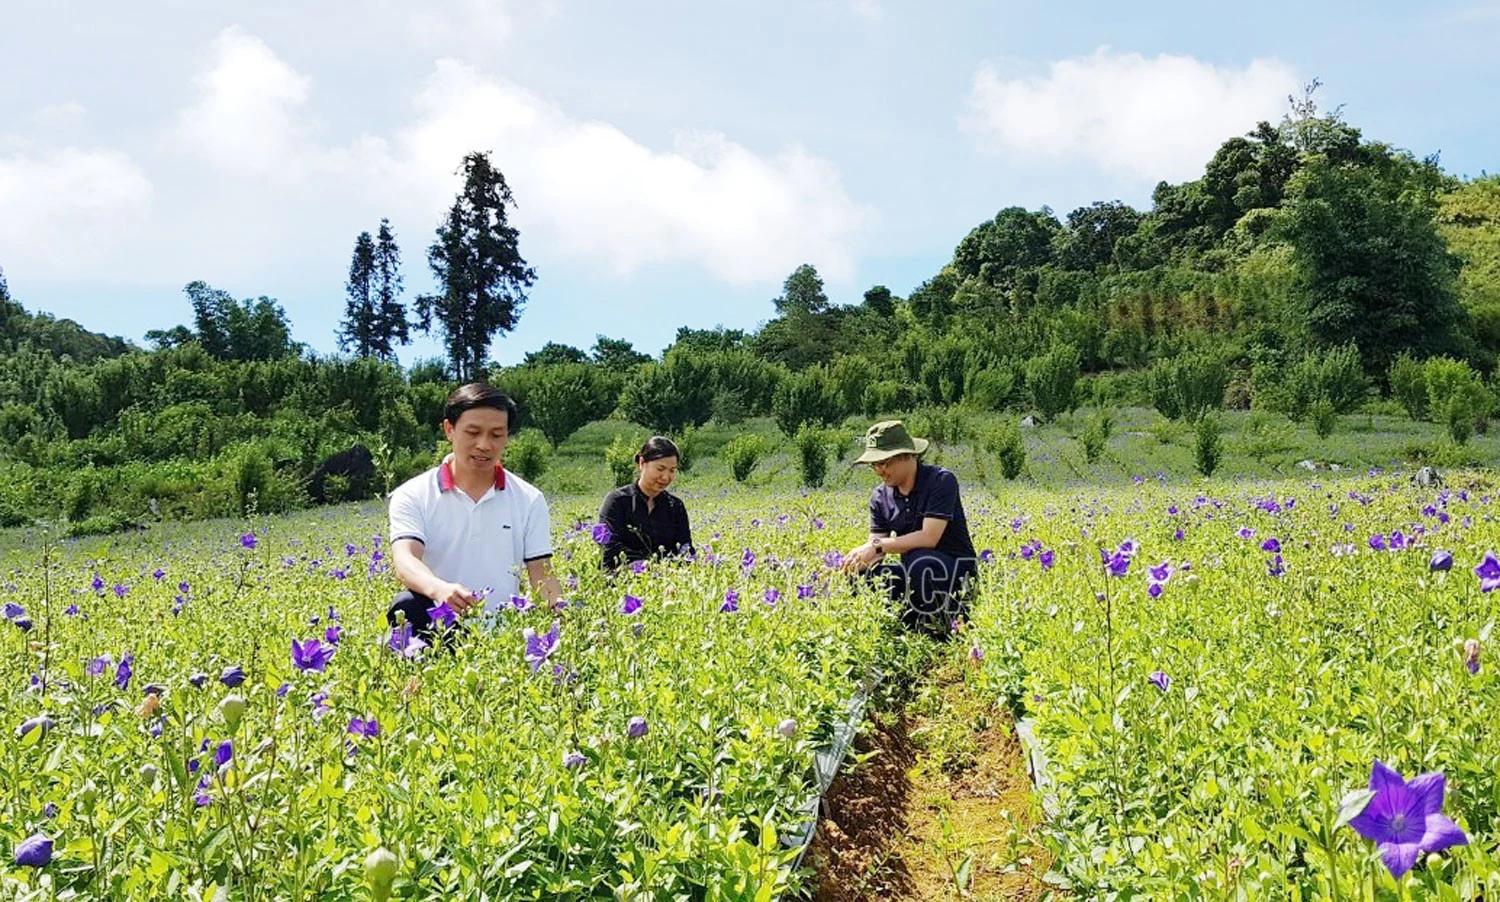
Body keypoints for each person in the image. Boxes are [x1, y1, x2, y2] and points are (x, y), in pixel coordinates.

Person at [386, 383, 563, 641]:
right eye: (473, 432)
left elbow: (541, 572)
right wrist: (440, 590)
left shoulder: (529, 499)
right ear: (449, 430)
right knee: (405, 604)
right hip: (438, 630)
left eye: (496, 435)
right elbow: (405, 560)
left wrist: (566, 617)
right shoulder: (413, 494)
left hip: (503, 641)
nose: (484, 445)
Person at [841, 420, 978, 634]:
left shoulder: (941, 481)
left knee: (921, 558)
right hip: (916, 575)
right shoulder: (880, 497)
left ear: (909, 456)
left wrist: (877, 546)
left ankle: (942, 625)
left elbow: (928, 537)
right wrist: (855, 564)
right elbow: (876, 551)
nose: (879, 470)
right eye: (874, 465)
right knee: (864, 575)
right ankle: (905, 624)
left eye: (885, 462)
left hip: (954, 571)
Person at [598, 436, 694, 571]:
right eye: (660, 469)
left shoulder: (675, 506)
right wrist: (646, 567)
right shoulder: (617, 501)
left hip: (667, 580)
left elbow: (686, 549)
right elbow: (609, 548)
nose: (666, 477)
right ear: (642, 463)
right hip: (621, 580)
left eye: (672, 470)